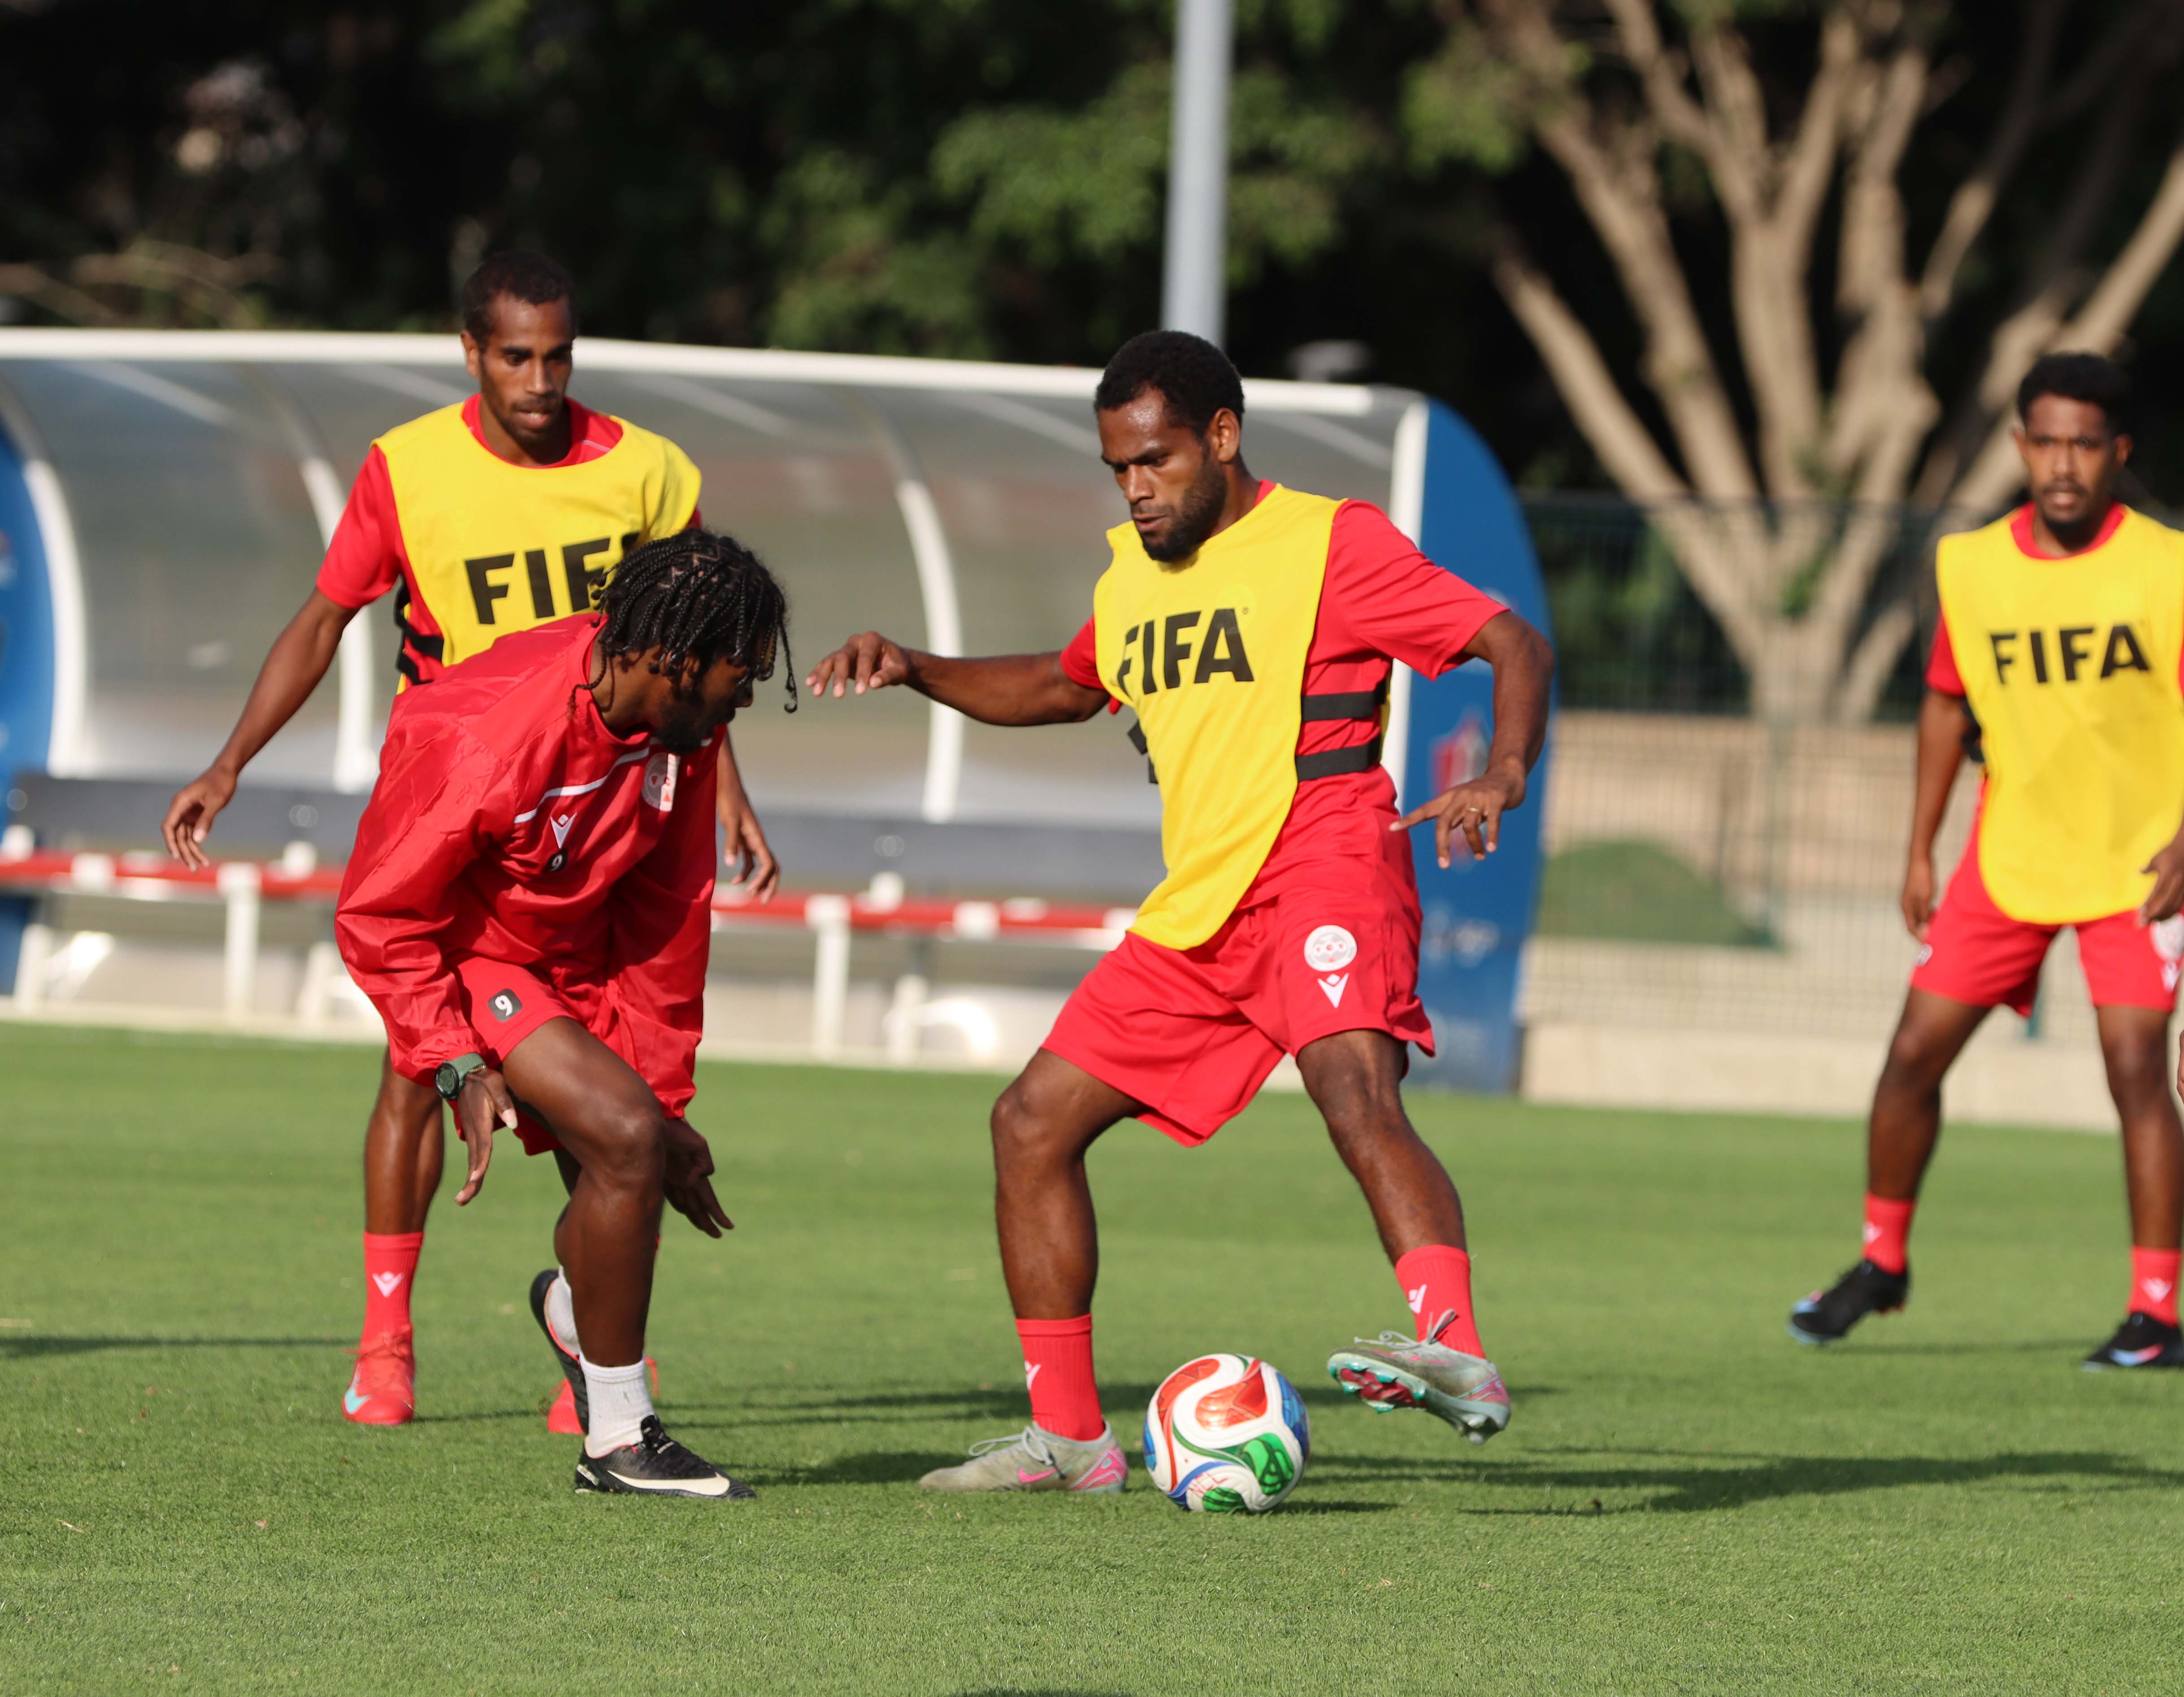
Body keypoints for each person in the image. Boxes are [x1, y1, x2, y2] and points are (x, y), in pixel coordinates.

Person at [806, 331, 1554, 1493]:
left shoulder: (1331, 541)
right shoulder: (1131, 573)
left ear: (1221, 436)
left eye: (1154, 460)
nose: (1137, 487)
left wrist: (1501, 775)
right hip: (1200, 903)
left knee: (1352, 1082)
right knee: (1028, 1125)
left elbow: (1513, 643)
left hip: (1326, 852)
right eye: (1118, 469)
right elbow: (1062, 686)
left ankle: (1455, 1348)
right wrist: (915, 662)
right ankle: (1067, 1437)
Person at [160, 251, 779, 1430]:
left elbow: (706, 645)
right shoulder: (408, 469)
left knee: (608, 1106)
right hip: (464, 805)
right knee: (421, 1056)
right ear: (470, 354)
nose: (541, 380)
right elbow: (323, 619)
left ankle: (583, 1330)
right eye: (515, 357)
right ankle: (389, 1339)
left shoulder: (648, 469)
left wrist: (726, 784)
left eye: (559, 356)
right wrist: (229, 760)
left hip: (600, 807)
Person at [336, 529, 791, 1497]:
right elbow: (380, 909)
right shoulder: (484, 734)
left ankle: (580, 1322)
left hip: (577, 957)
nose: (745, 696)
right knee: (624, 1136)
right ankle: (620, 1438)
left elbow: (669, 918)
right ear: (671, 658)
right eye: (738, 674)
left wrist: (667, 1098)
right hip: (473, 950)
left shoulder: (685, 731)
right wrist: (452, 1059)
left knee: (634, 1141)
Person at [1788, 352, 2184, 1370]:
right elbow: (1944, 701)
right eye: (2045, 440)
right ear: (2018, 445)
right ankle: (1881, 1261)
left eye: (2084, 443)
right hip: (2006, 859)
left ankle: (2156, 1310)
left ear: (2117, 452)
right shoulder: (1969, 564)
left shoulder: (2167, 567)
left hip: (2143, 866)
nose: (2063, 463)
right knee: (1913, 1054)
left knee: (2139, 1066)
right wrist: (1919, 845)